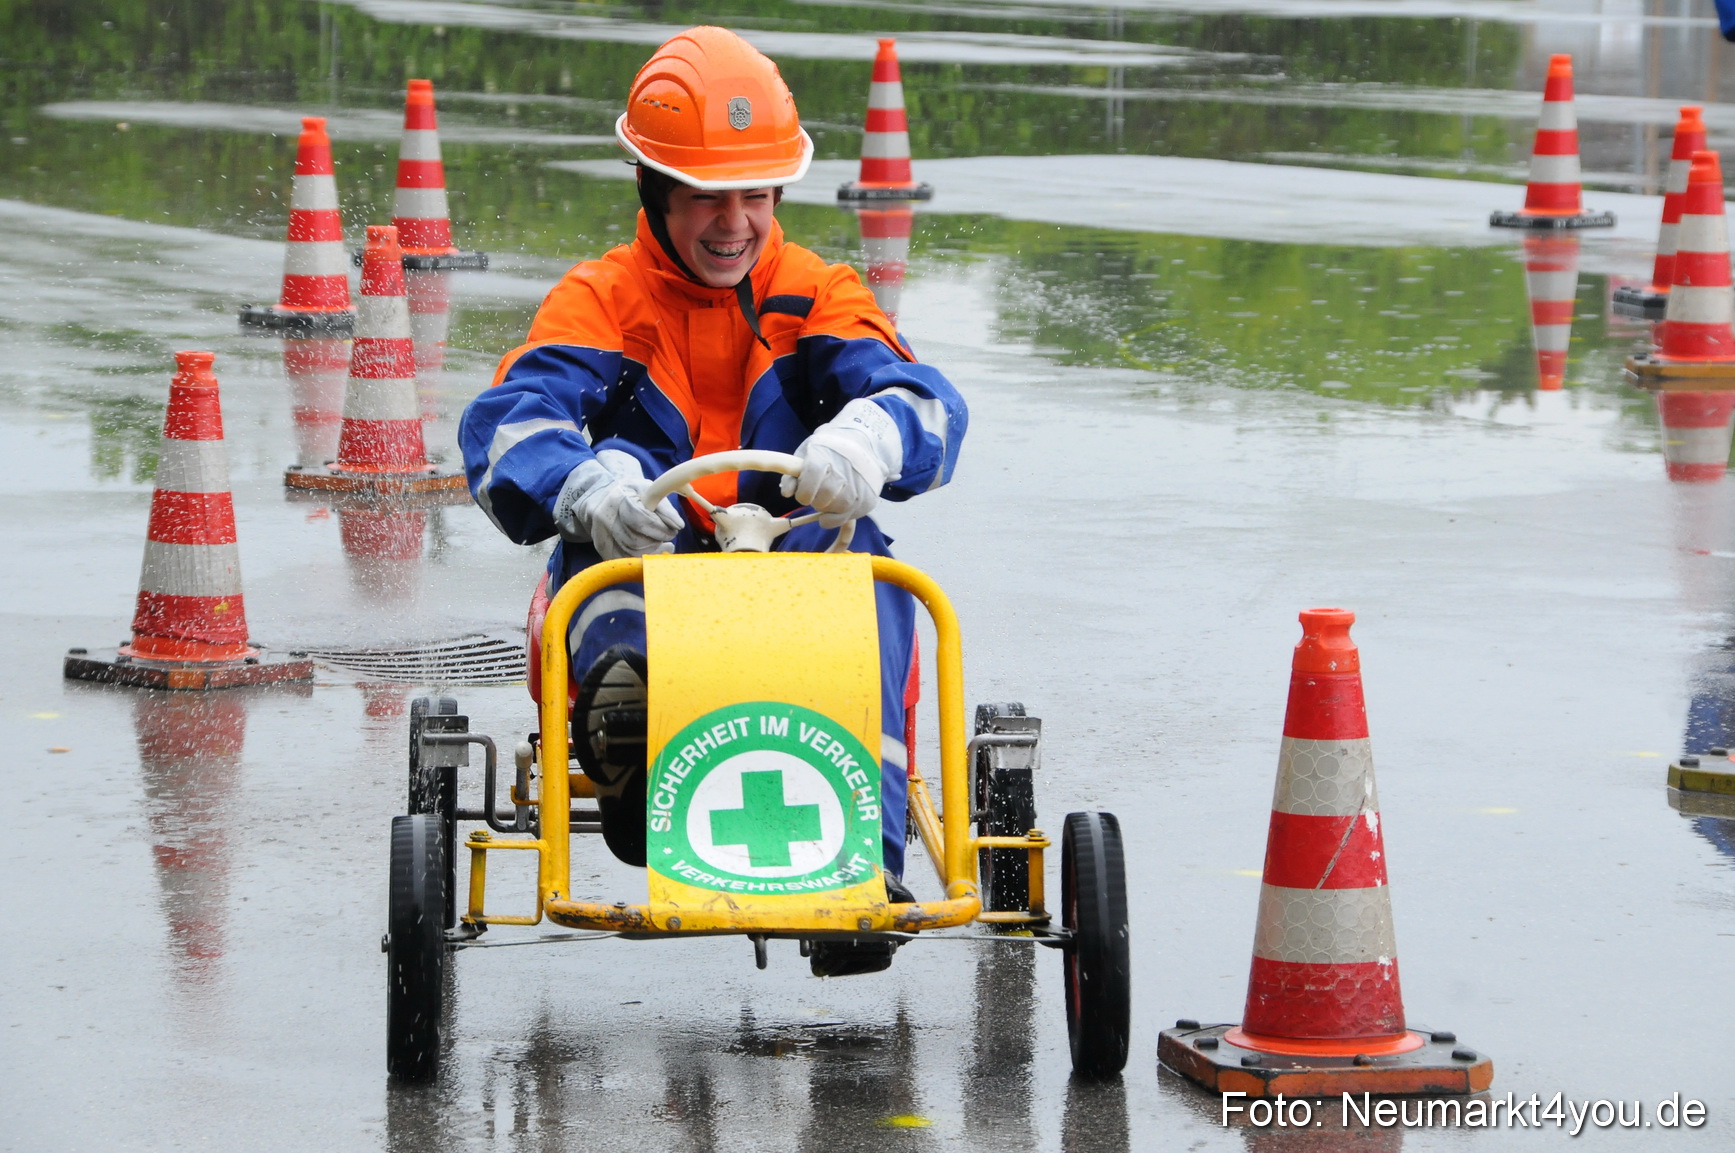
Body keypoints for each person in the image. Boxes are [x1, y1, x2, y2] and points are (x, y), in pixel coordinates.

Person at [458, 28, 967, 938]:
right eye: (705, 195)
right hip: (646, 557)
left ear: (779, 194)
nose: (733, 222)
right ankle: (634, 753)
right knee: (604, 564)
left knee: (874, 575)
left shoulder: (816, 291)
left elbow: (924, 400)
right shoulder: (603, 298)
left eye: (754, 194)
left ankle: (869, 870)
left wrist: (870, 437)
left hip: (796, 559)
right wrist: (582, 485)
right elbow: (509, 421)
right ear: (653, 188)